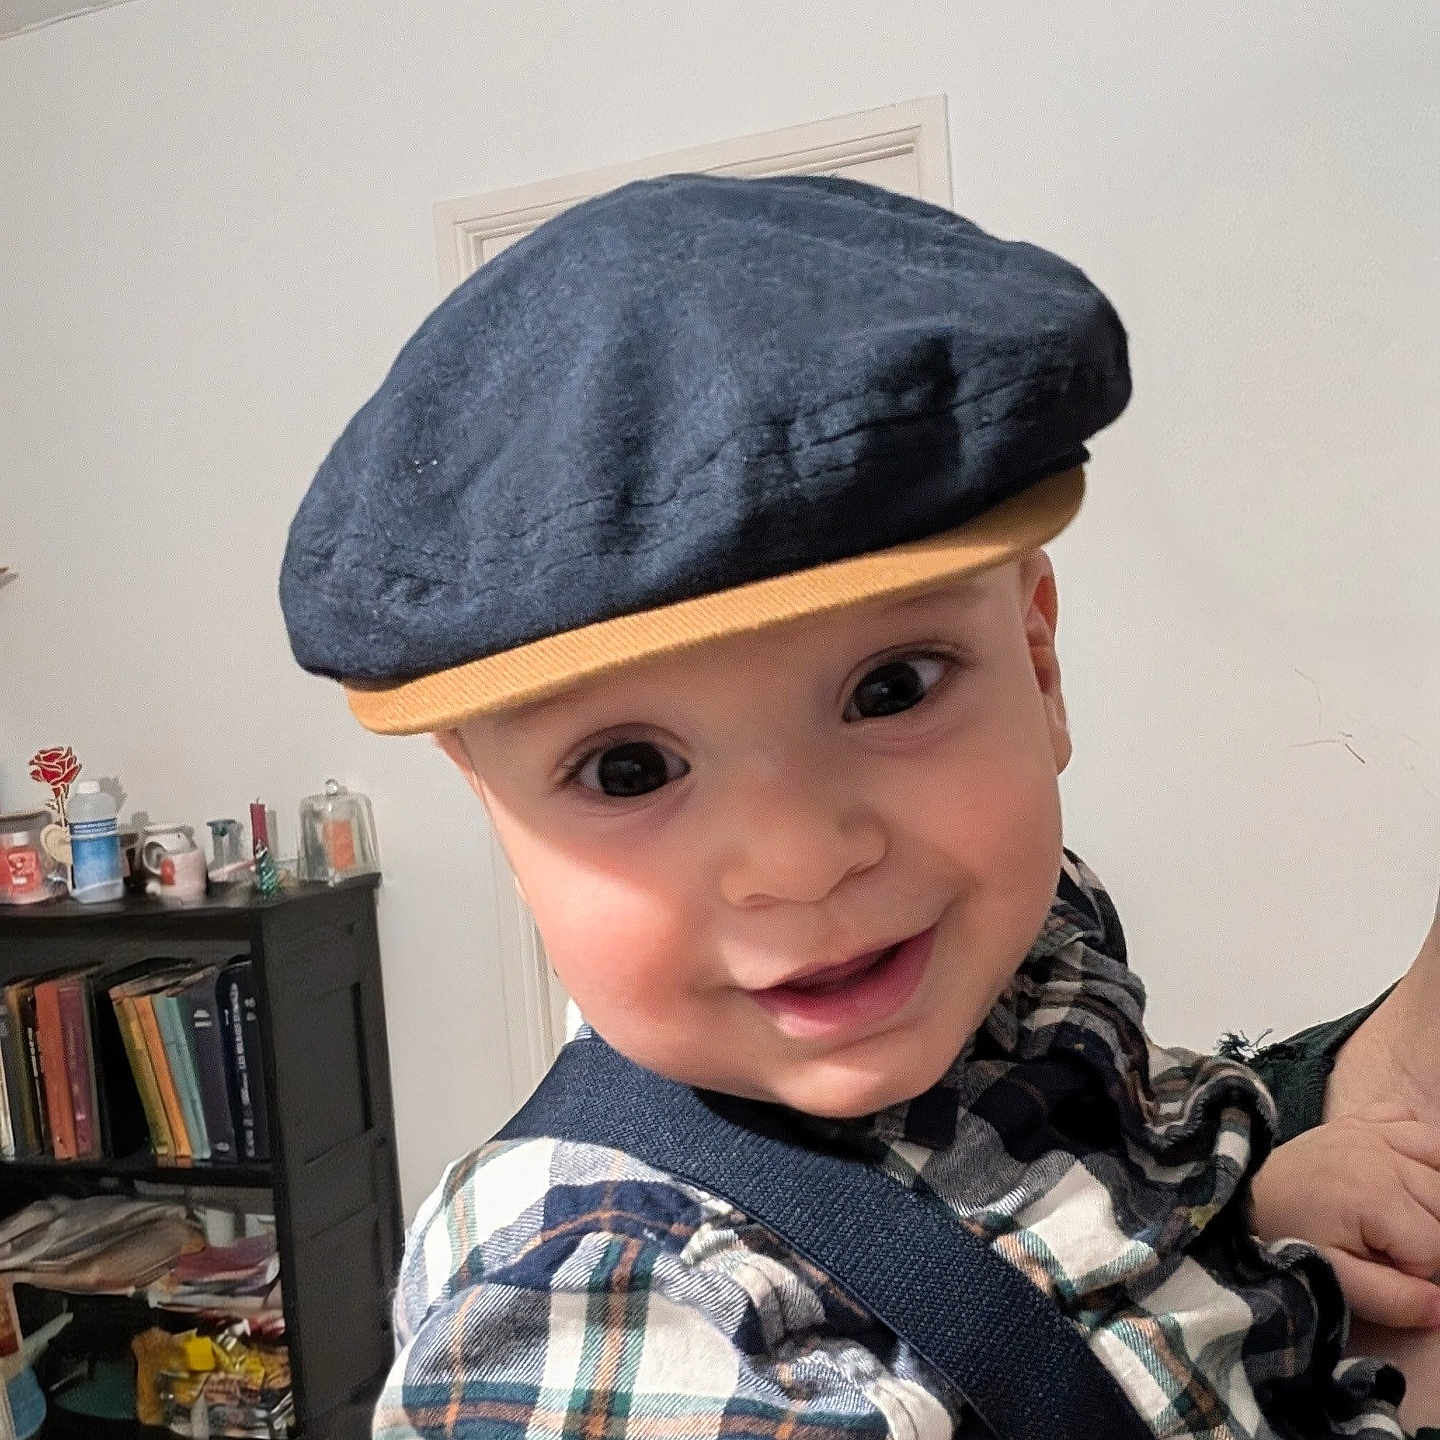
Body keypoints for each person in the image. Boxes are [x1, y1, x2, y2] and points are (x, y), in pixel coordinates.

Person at [278, 174, 1440, 1438]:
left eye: (890, 689)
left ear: (1040, 667)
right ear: (496, 815)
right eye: (628, 770)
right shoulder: (600, 1300)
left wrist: (1245, 1228)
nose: (800, 862)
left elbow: (1086, 1229)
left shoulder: (1027, 937)